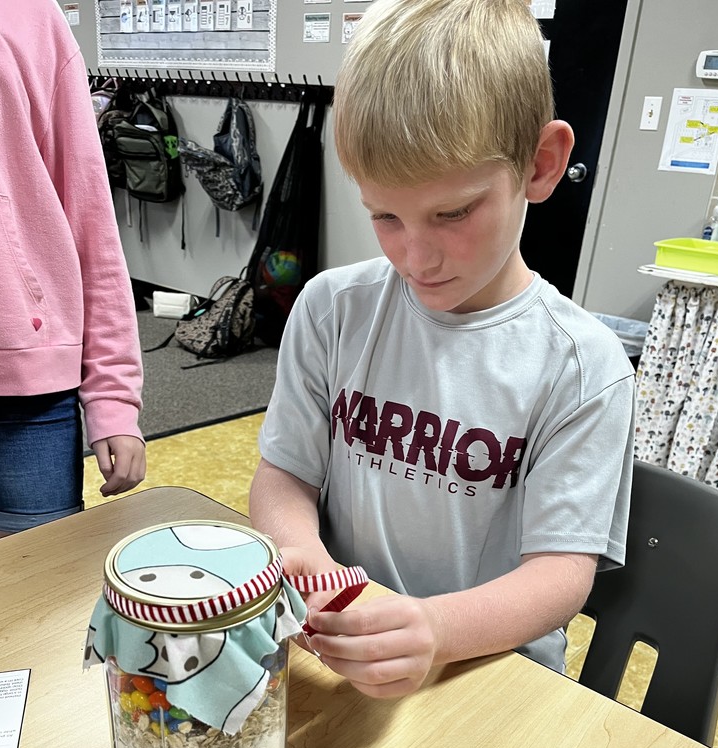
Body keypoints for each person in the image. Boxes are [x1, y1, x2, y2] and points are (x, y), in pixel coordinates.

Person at [249, 0, 635, 698]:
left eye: (453, 213)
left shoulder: (583, 366)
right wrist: (297, 551)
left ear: (541, 166)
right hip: (342, 660)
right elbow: (285, 476)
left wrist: (437, 630)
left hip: (491, 675)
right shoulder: (332, 311)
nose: (416, 255)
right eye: (383, 216)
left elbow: (560, 577)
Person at [0, 0, 146, 543]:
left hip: (23, 389)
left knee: (36, 605)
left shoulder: (26, 14)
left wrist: (113, 395)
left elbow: (88, 219)